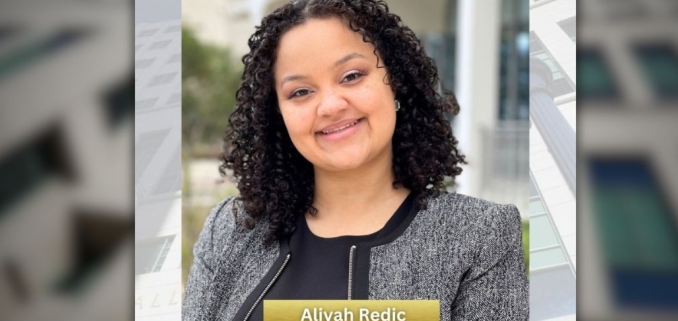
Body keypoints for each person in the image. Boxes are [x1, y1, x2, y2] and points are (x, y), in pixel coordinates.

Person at [182, 0, 528, 320]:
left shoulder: (479, 236)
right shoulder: (231, 230)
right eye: (300, 92)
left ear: (395, 84)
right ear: (279, 116)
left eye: (352, 76)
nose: (330, 105)